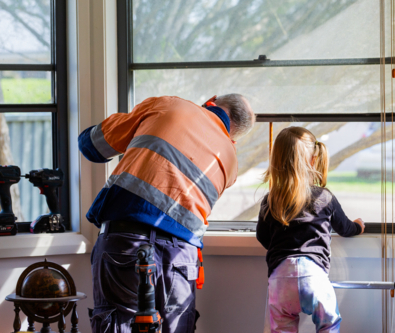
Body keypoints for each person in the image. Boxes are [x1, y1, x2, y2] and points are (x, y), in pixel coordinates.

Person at [78, 94, 255, 332]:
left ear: (212, 100)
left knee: (118, 323)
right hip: (182, 257)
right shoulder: (230, 161)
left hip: (127, 241)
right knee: (177, 326)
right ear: (233, 137)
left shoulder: (170, 105)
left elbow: (92, 147)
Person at [256, 126, 365, 333]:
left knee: (280, 329)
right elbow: (345, 227)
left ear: (276, 161)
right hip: (314, 278)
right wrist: (358, 227)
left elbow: (262, 237)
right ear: (314, 160)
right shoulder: (324, 197)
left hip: (280, 280)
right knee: (328, 324)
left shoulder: (270, 200)